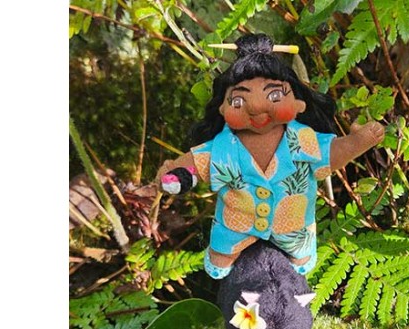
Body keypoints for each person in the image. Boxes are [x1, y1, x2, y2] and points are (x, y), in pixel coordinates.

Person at [156, 33, 385, 279]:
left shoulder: (305, 140)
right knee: (222, 253)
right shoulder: (222, 148)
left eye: (274, 96)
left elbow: (331, 155)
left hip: (294, 226)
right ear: (222, 108)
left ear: (298, 103)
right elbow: (194, 165)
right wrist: (177, 175)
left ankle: (300, 258)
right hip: (235, 225)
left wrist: (357, 142)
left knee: (301, 254)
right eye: (238, 100)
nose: (256, 107)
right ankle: (222, 258)